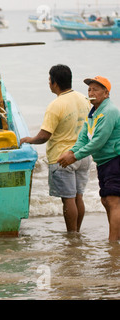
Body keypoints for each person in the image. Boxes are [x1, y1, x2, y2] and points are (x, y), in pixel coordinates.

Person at [20, 65, 91, 233]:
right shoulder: (84, 99)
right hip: (83, 155)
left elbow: (44, 136)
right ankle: (77, 232)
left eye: (49, 80)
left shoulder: (55, 105)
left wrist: (28, 139)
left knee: (68, 200)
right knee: (78, 197)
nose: (49, 83)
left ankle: (72, 235)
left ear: (54, 83)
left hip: (62, 157)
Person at [58, 76, 120, 242]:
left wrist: (75, 156)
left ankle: (113, 243)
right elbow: (84, 138)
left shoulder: (109, 111)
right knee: (106, 200)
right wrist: (71, 151)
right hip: (103, 162)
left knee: (114, 202)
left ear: (106, 93)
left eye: (95, 89)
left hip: (115, 159)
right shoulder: (93, 113)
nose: (91, 93)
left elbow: (98, 141)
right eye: (89, 89)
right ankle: (115, 239)